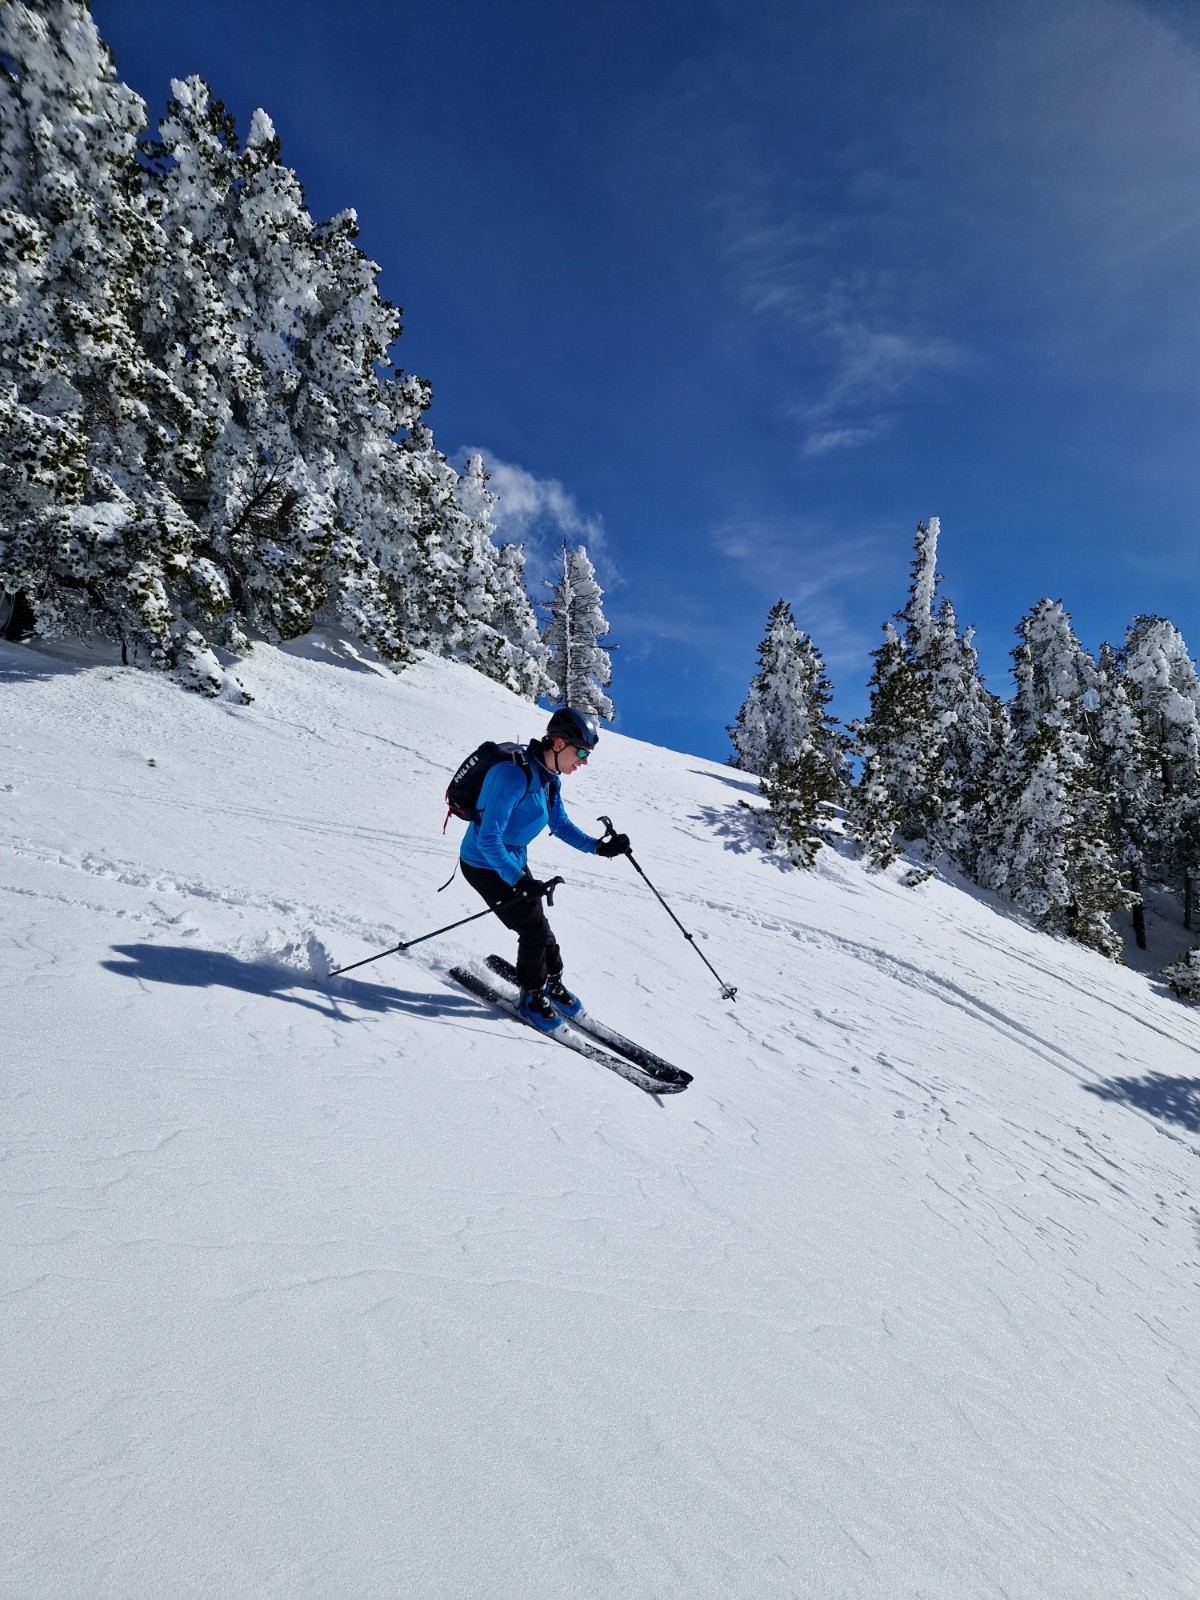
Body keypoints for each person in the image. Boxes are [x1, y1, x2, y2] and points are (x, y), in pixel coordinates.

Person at [459, 706, 630, 1032]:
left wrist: (600, 847)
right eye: (581, 752)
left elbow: (560, 825)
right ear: (558, 744)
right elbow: (488, 839)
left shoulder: (549, 780)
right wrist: (517, 879)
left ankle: (552, 981)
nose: (584, 761)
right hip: (483, 864)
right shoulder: (512, 775)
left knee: (540, 924)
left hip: (513, 862)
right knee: (533, 930)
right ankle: (532, 997)